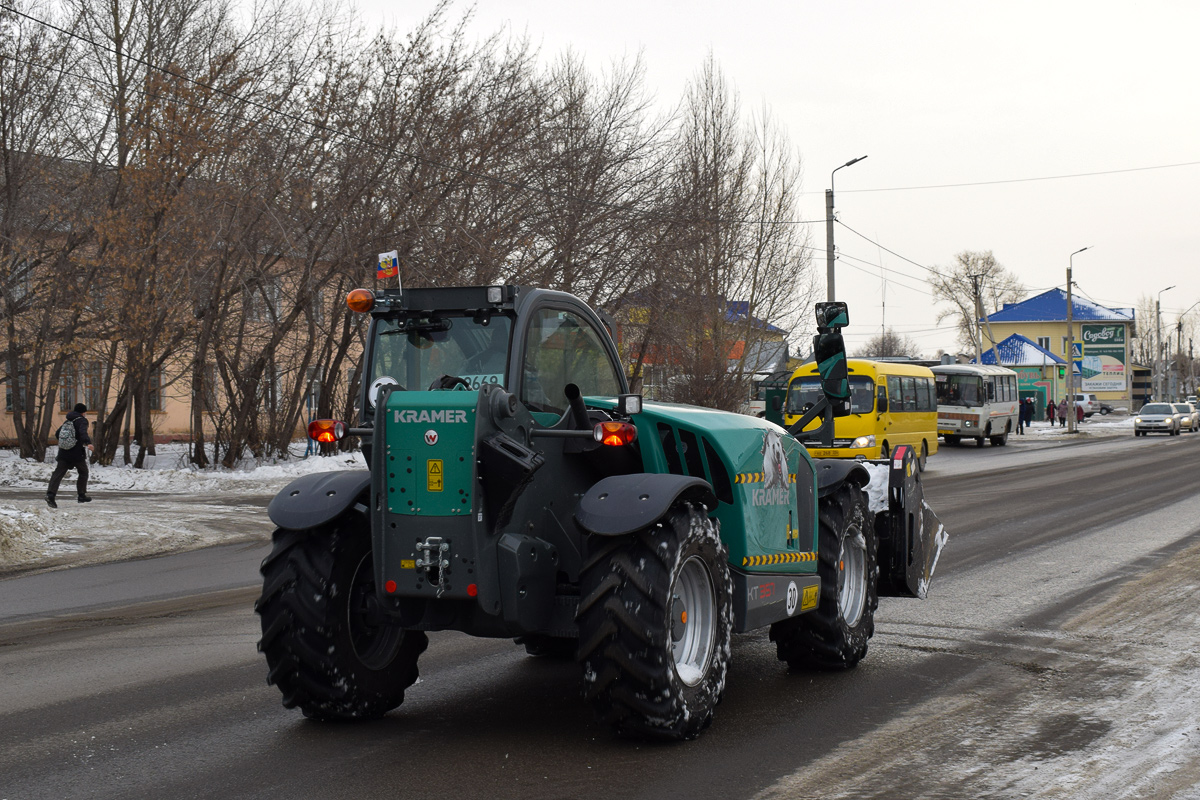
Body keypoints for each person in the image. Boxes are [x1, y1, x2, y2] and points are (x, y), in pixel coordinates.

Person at [47, 402, 93, 508]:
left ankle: (50, 495)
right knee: (83, 472)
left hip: (64, 452)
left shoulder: (68, 420)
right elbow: (83, 433)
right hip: (76, 453)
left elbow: (58, 434)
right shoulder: (82, 421)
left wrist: (66, 443)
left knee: (58, 474)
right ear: (83, 412)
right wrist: (88, 442)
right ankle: (81, 495)